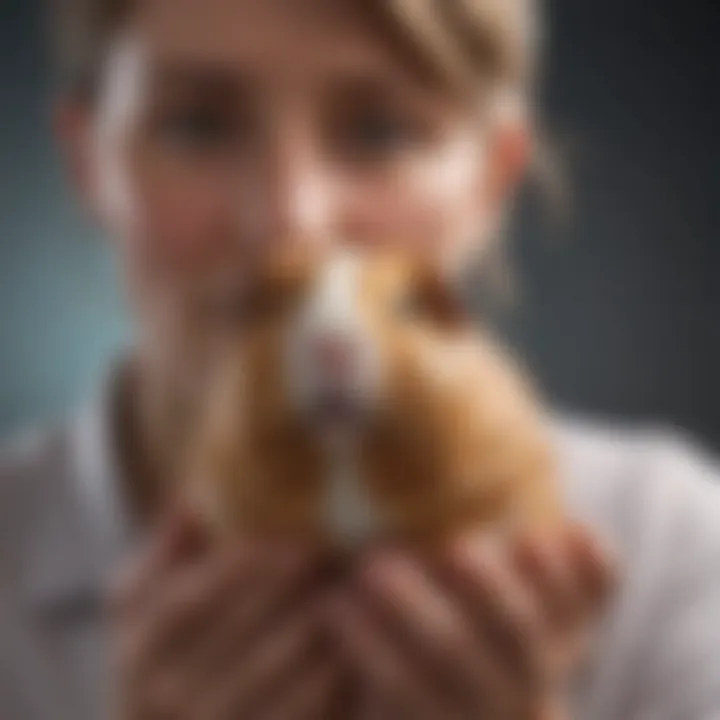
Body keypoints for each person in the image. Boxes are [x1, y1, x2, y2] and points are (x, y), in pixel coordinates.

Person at [1, 1, 718, 718]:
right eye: (199, 125)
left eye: (380, 132)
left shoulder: (662, 546)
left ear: (492, 182)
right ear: (89, 163)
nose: (291, 223)